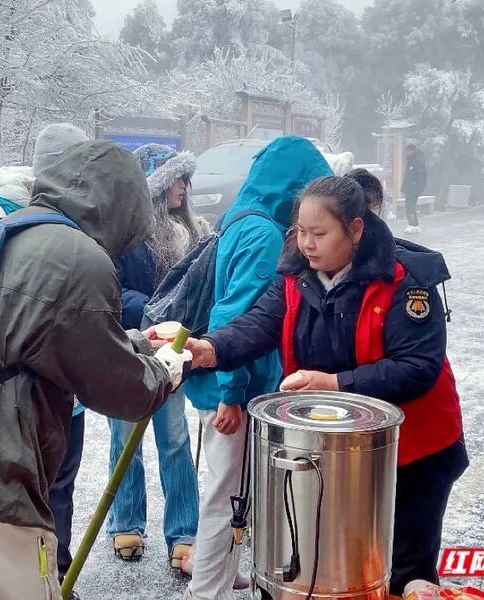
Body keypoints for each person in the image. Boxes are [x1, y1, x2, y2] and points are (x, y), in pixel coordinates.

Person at [0, 140, 190, 600]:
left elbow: (33, 340)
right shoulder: (78, 257)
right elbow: (121, 390)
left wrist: (139, 342)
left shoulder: (11, 228)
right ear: (124, 211)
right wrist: (166, 368)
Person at [187, 174, 469, 596]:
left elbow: (417, 367)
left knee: (400, 571)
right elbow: (260, 323)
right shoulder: (298, 275)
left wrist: (335, 384)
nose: (306, 243)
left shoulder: (405, 280)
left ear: (355, 230)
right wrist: (209, 349)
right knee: (332, 564)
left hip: (412, 451)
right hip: (338, 449)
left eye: (319, 233)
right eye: (300, 231)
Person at [175, 136, 333, 600]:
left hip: (224, 382)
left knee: (232, 491)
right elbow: (233, 314)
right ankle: (207, 589)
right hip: (234, 390)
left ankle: (220, 574)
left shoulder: (240, 216)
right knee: (229, 496)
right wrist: (232, 393)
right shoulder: (264, 232)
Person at [0, 122, 90, 587]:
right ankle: (30, 581)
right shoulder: (0, 223)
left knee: (59, 488)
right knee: (21, 494)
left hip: (66, 393)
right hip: (18, 396)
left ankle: (55, 575)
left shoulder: (74, 223)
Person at [107, 143, 205, 569]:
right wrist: (155, 311)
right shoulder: (123, 233)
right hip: (127, 348)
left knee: (175, 436)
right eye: (176, 178)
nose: (183, 186)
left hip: (175, 351)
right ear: (156, 183)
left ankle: (184, 530)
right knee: (124, 436)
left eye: (186, 179)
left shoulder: (195, 231)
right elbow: (110, 289)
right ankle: (126, 522)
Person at [402, 143, 427, 234]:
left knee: (410, 206)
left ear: (411, 150)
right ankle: (414, 224)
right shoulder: (411, 160)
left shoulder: (417, 160)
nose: (406, 153)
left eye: (407, 151)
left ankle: (412, 225)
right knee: (410, 206)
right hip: (410, 187)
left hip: (413, 188)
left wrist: (418, 188)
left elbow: (421, 175)